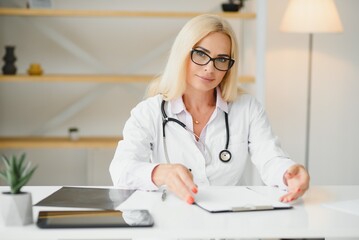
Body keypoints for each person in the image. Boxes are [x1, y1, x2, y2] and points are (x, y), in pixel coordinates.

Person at [109, 14, 310, 205]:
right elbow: (121, 170)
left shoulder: (247, 109)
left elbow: (270, 158)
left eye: (221, 59)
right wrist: (160, 173)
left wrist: (288, 173)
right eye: (201, 54)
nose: (210, 68)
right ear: (183, 54)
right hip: (173, 221)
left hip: (229, 224)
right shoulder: (149, 112)